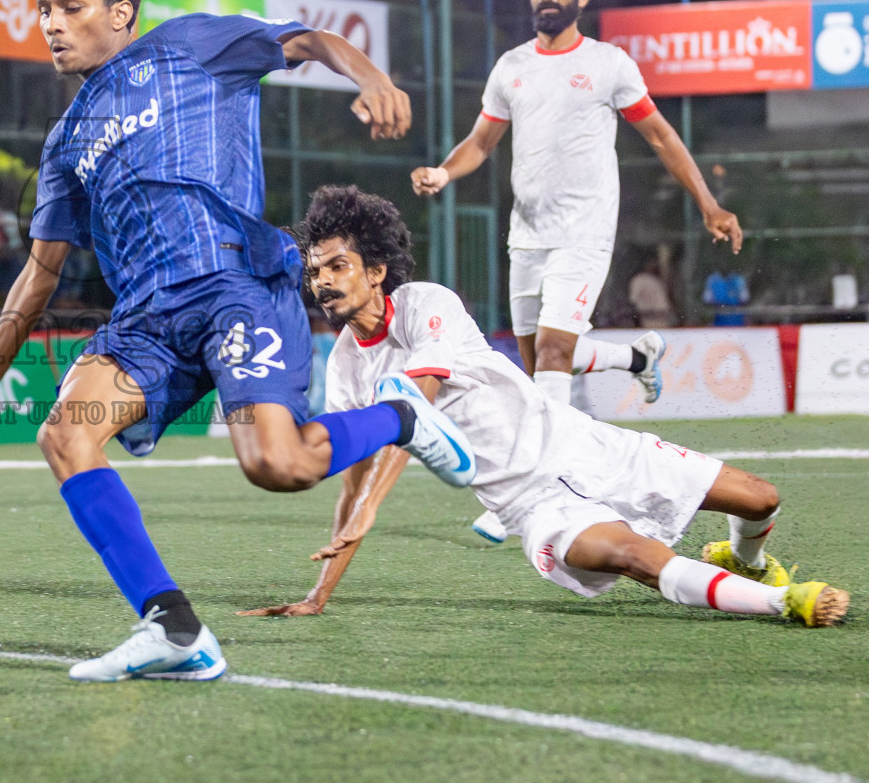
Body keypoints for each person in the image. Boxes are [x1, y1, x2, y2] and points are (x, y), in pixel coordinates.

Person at [0, 0, 475, 684]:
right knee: (64, 436)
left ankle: (402, 416)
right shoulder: (65, 143)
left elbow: (307, 40)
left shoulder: (191, 45)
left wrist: (371, 75)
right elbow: (37, 278)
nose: (50, 23)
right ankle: (173, 627)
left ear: (121, 11)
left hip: (236, 287)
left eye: (70, 6)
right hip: (148, 322)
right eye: (43, 8)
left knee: (278, 466)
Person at [240, 185, 846, 629]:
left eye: (337, 266)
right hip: (534, 508)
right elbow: (357, 477)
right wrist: (321, 590)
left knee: (761, 498)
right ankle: (784, 602)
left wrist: (372, 508)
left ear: (376, 271)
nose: (321, 281)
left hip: (588, 446)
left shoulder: (426, 304)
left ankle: (749, 562)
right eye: (315, 271)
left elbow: (414, 410)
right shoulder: (345, 362)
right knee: (637, 556)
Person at [410, 0, 744, 544]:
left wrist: (708, 203)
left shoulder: (610, 64)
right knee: (539, 363)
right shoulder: (511, 66)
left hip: (584, 231)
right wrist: (444, 172)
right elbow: (480, 143)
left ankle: (542, 487)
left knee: (556, 357)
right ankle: (637, 359)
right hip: (528, 235)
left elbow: (662, 137)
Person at [628, 257, 676, 329]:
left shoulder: (645, 279)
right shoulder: (645, 280)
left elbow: (633, 300)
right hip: (656, 317)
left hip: (656, 317)